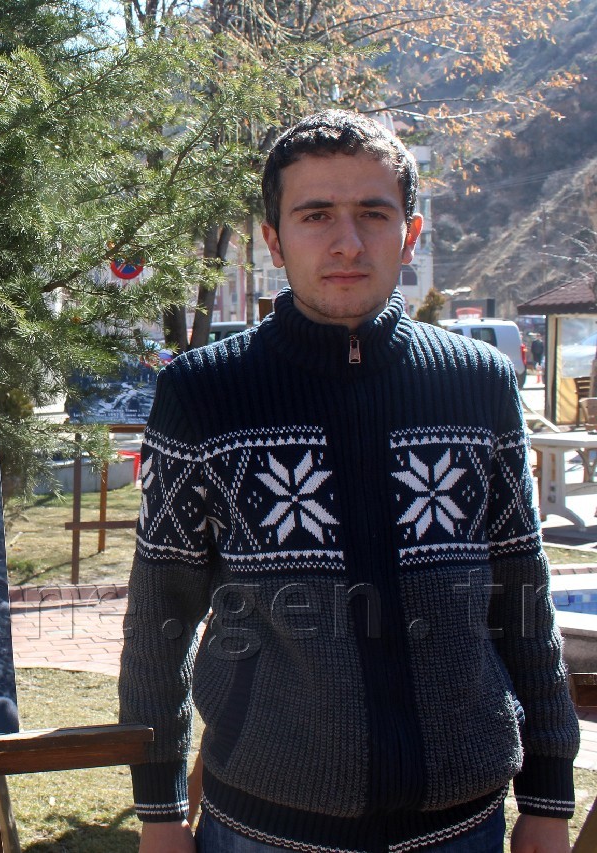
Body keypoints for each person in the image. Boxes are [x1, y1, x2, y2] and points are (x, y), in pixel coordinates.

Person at [119, 110, 579, 852]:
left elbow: (523, 591)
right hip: (264, 828)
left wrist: (550, 796)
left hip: (463, 825)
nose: (346, 241)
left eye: (373, 213)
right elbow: (158, 618)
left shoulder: (479, 385)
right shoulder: (204, 394)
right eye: (315, 215)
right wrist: (161, 812)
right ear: (273, 239)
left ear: (412, 233)